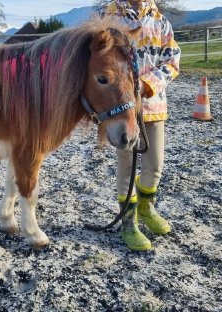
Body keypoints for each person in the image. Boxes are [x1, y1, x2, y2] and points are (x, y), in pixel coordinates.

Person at [101, 0, 181, 250]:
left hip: (153, 105)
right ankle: (128, 222)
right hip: (122, 108)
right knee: (126, 166)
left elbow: (172, 60)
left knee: (154, 165)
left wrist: (148, 84)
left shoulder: (160, 21)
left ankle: (146, 207)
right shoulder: (111, 18)